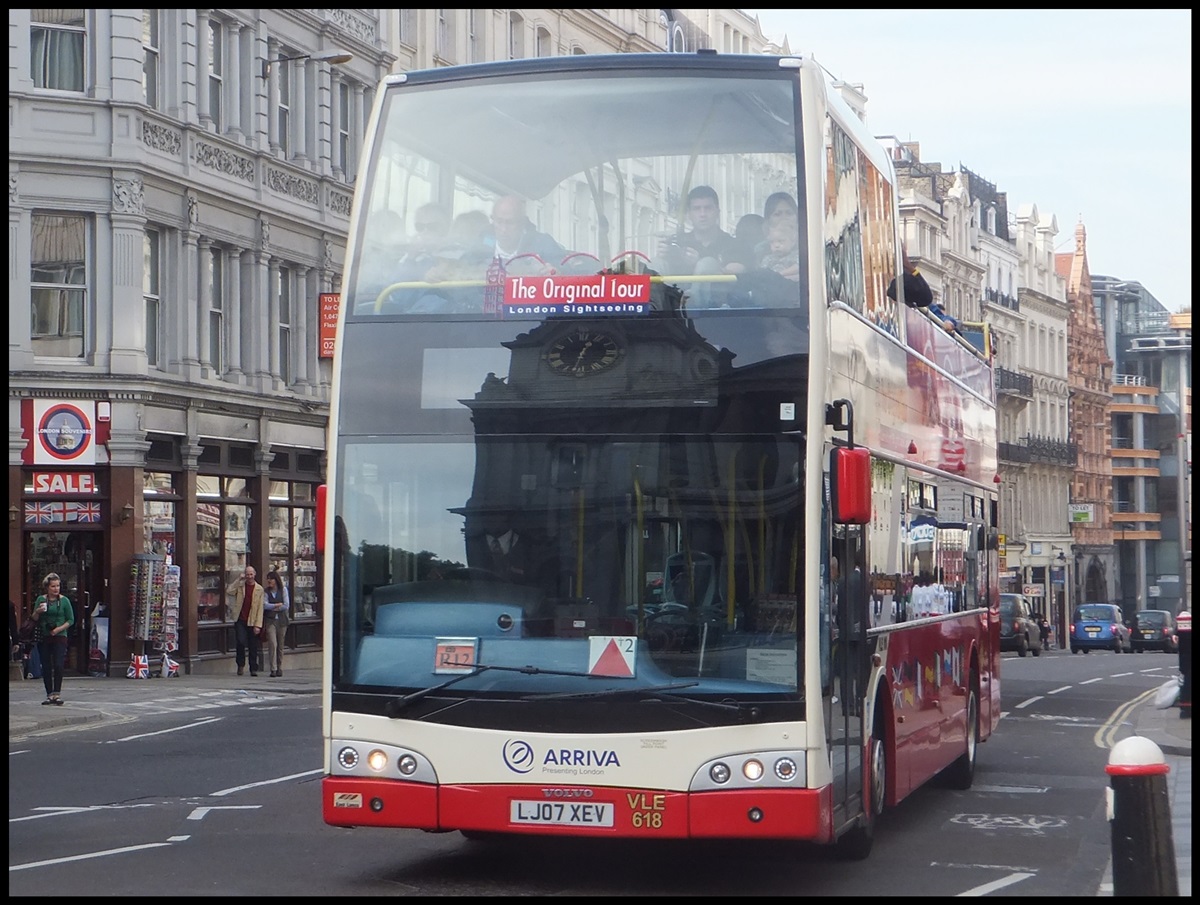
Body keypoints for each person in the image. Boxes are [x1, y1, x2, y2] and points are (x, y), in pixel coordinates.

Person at [489, 195, 565, 271]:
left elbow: (568, 273)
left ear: (522, 223)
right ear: (492, 219)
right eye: (499, 222)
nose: (503, 229)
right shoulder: (481, 248)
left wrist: (556, 273)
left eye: (510, 223)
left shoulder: (544, 245)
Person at [32, 572, 74, 705]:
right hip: (45, 636)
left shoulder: (65, 601)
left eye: (58, 586)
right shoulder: (41, 600)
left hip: (60, 636)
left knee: (58, 664)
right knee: (46, 665)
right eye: (53, 586)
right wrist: (38, 611)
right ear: (47, 587)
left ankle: (57, 693)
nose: (56, 589)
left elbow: (71, 620)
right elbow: (34, 618)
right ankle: (49, 694)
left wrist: (58, 629)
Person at [226, 565, 264, 677]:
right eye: (247, 574)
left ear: (254, 575)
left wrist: (258, 625)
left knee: (253, 645)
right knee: (240, 642)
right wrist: (238, 579)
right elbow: (229, 591)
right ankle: (240, 665)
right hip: (240, 619)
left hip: (252, 620)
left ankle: (253, 668)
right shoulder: (240, 586)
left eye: (251, 574)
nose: (249, 576)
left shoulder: (259, 589)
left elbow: (260, 608)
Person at [886, 244, 934, 309]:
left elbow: (926, 297)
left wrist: (910, 267)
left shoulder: (900, 281)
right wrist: (909, 266)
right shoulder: (899, 281)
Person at [261, 571, 290, 678]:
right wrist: (276, 605)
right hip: (270, 621)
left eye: (271, 579)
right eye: (268, 579)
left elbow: (286, 605)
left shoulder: (283, 590)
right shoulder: (266, 592)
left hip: (282, 621)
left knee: (280, 645)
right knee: (273, 643)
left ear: (276, 580)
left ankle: (279, 667)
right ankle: (272, 668)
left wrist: (273, 606)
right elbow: (264, 605)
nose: (269, 581)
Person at [758, 217, 801, 281]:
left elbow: (798, 267)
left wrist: (780, 274)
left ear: (792, 242)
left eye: (781, 241)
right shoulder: (768, 259)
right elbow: (763, 273)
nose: (776, 245)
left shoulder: (796, 256)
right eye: (772, 242)